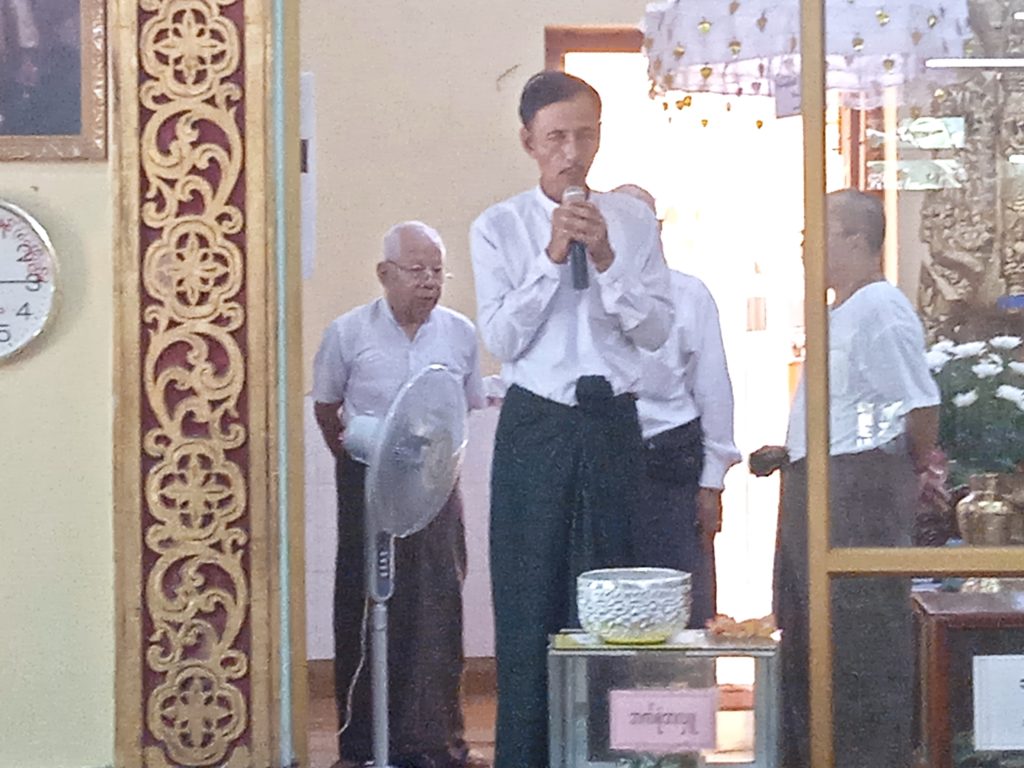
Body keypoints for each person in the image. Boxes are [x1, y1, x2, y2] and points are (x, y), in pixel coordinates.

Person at [470, 71, 674, 768]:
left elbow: (655, 331)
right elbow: (503, 338)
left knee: (616, 602)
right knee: (530, 601)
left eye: (586, 135)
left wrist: (609, 260)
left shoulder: (634, 222)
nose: (572, 152)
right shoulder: (499, 227)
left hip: (612, 424)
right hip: (538, 426)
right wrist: (552, 257)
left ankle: (613, 757)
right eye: (556, 136)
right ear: (528, 142)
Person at [750, 189, 940, 768]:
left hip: (858, 493)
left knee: (860, 638)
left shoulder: (881, 308)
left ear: (856, 239)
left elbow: (919, 407)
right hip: (823, 482)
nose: (805, 247)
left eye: (817, 234)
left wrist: (900, 472)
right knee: (812, 632)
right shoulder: (842, 312)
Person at [313, 221, 485, 768]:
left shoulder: (459, 333)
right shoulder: (348, 333)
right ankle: (361, 746)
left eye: (437, 271)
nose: (429, 281)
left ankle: (439, 743)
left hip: (435, 481)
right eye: (417, 270)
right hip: (367, 477)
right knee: (365, 604)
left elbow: (467, 404)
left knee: (438, 605)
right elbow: (326, 407)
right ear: (384, 274)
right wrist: (355, 464)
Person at [613, 183, 741, 628]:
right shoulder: (586, 296)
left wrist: (712, 483)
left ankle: (681, 677)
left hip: (671, 461)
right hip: (606, 458)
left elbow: (713, 389)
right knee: (611, 597)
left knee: (682, 598)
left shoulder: (689, 294)